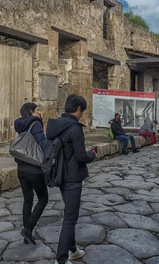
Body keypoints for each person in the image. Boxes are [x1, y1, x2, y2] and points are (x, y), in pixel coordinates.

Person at [46, 95, 97, 264]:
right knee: (70, 218)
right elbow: (81, 156)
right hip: (73, 177)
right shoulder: (75, 128)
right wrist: (93, 153)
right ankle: (61, 259)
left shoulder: (56, 125)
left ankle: (73, 249)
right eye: (83, 111)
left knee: (70, 212)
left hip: (60, 174)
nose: (82, 114)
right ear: (78, 110)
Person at [14, 102, 48, 245]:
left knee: (28, 200)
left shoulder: (21, 125)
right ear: (32, 112)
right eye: (37, 110)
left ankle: (27, 235)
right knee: (43, 199)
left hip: (21, 168)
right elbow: (43, 144)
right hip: (34, 168)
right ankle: (28, 229)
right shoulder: (36, 124)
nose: (40, 112)